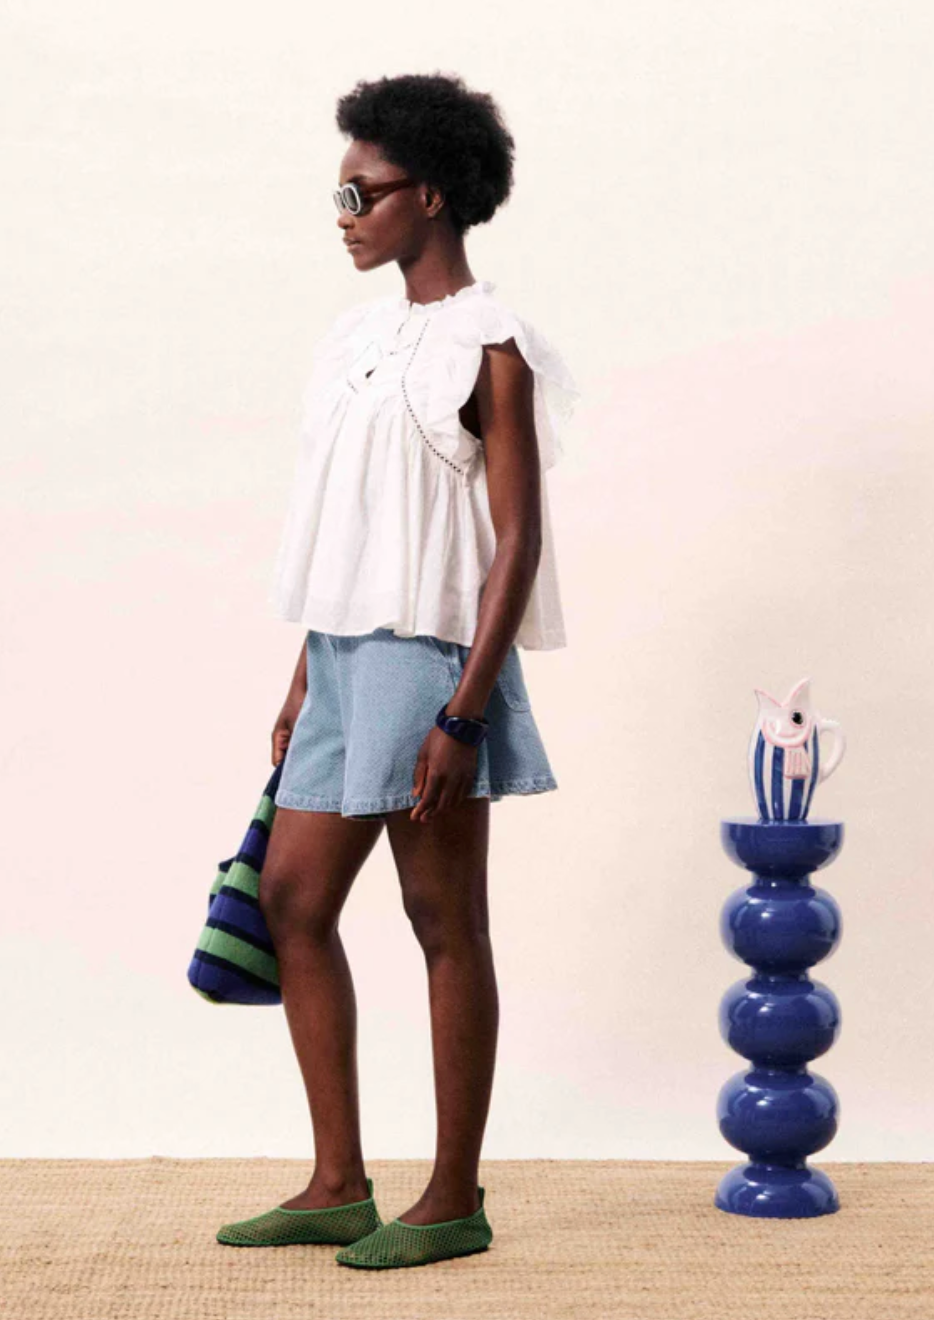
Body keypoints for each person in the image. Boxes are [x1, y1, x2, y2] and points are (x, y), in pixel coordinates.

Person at [216, 72, 580, 1269]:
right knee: (290, 899)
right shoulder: (356, 339)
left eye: (360, 192)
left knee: (442, 918)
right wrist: (302, 675)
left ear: (430, 193)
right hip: (338, 653)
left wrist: (463, 716)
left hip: (430, 661)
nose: (343, 215)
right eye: (339, 193)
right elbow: (352, 524)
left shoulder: (493, 345)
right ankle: (336, 1183)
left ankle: (453, 1197)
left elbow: (516, 542)